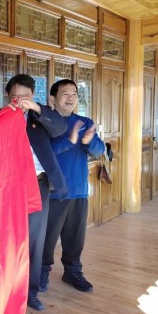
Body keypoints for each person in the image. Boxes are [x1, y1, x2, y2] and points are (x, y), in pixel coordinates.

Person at [0, 74, 67, 312]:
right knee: (0, 240)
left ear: (33, 96)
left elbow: (60, 128)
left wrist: (36, 108)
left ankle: (29, 292)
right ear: (7, 96)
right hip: (5, 187)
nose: (19, 101)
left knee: (34, 241)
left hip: (36, 185)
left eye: (25, 97)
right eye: (15, 96)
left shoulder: (40, 117)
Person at [40, 79, 105, 293]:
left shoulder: (84, 122)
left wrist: (88, 141)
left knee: (75, 236)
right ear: (52, 99)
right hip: (53, 191)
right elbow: (43, 154)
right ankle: (41, 271)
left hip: (78, 190)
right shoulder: (44, 122)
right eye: (65, 94)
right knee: (47, 237)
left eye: (74, 94)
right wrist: (69, 139)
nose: (71, 98)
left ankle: (72, 271)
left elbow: (99, 151)